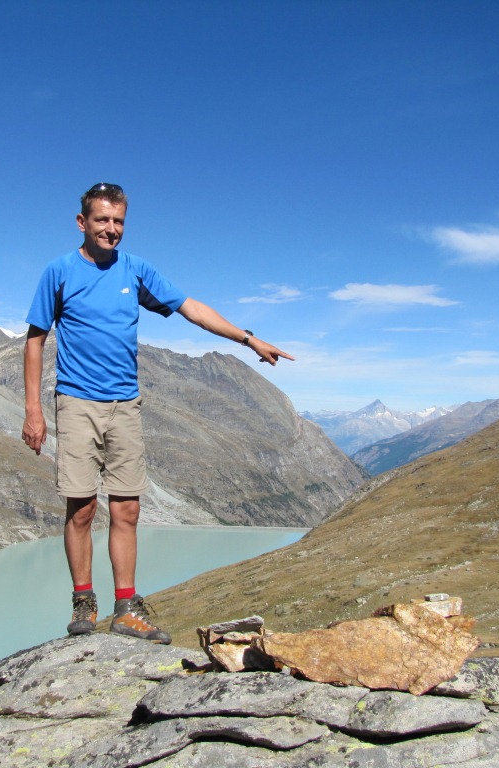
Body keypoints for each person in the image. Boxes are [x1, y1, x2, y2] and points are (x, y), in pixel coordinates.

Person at [21, 182, 294, 644]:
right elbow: (34, 339)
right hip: (76, 402)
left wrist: (248, 338)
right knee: (82, 507)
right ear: (81, 222)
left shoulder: (136, 269)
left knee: (126, 508)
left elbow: (191, 308)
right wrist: (33, 410)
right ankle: (83, 602)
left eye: (119, 222)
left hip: (125, 403)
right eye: (102, 220)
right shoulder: (59, 272)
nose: (111, 230)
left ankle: (125, 608)